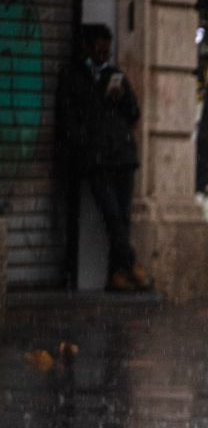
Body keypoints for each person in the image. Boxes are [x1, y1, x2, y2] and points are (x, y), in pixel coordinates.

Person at [57, 23, 152, 292]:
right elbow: (68, 121)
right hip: (96, 161)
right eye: (99, 49)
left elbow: (134, 113)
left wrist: (121, 100)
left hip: (121, 157)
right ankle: (131, 264)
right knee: (112, 216)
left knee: (122, 219)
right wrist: (84, 143)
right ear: (87, 47)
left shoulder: (115, 76)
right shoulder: (73, 76)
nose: (103, 55)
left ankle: (117, 275)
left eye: (107, 50)